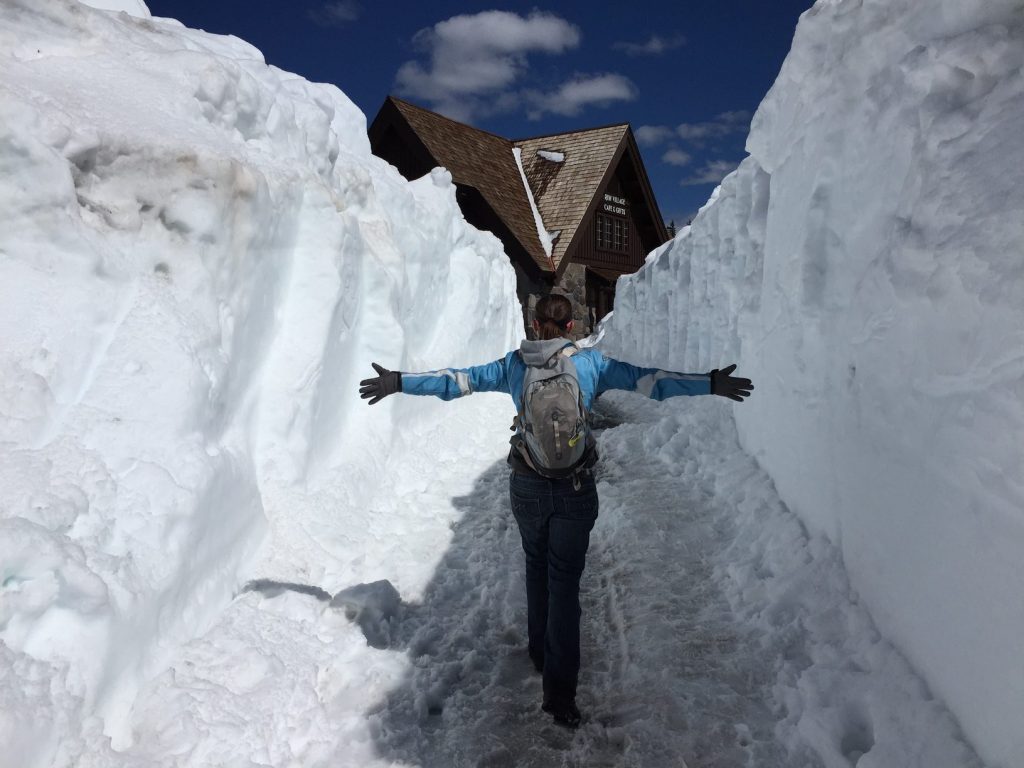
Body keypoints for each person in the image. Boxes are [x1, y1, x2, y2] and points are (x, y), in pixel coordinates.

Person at [359, 294, 753, 728]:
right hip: (575, 489)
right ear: (569, 329)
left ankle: (538, 650)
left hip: (527, 485)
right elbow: (653, 381)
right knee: (564, 584)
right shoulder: (591, 365)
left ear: (534, 322)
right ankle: (560, 696)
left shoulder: (514, 365)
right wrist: (710, 382)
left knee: (536, 565)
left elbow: (456, 381)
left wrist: (397, 380)